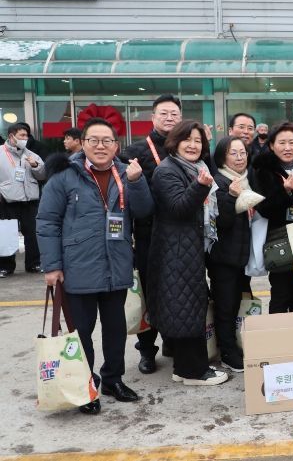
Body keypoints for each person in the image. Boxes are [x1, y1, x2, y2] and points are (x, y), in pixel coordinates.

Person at [36, 118, 154, 414]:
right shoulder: (64, 175)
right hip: (78, 268)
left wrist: (137, 182)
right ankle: (85, 385)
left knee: (115, 329)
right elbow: (47, 222)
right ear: (83, 143)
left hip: (116, 265)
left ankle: (113, 380)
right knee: (82, 333)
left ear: (116, 145)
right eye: (94, 140)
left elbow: (144, 212)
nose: (100, 146)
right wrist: (52, 266)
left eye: (107, 141)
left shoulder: (127, 173)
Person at [146, 121, 228, 386]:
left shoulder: (196, 167)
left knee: (188, 306)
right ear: (175, 142)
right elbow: (178, 207)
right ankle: (193, 372)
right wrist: (200, 186)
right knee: (185, 307)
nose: (193, 145)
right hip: (176, 250)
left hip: (187, 248)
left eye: (198, 140)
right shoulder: (167, 170)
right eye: (187, 139)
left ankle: (185, 367)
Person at [122, 94, 183, 375]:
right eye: (164, 113)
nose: (169, 118)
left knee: (177, 291)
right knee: (148, 294)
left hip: (181, 234)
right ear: (153, 117)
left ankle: (173, 340)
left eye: (174, 114)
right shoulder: (135, 151)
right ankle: (147, 350)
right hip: (149, 235)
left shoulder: (187, 147)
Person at [252, 122, 293, 313]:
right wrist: (285, 191)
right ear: (272, 145)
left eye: (292, 142)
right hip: (280, 240)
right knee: (281, 293)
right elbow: (264, 208)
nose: (287, 148)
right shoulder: (263, 170)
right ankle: (278, 331)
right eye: (282, 143)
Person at [207, 136, 254, 372]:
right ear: (222, 157)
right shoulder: (219, 181)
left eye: (242, 152)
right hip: (223, 257)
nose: (239, 157)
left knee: (239, 303)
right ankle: (227, 351)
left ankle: (236, 344)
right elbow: (221, 222)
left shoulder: (246, 179)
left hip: (242, 255)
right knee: (226, 306)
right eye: (233, 153)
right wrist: (232, 196)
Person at [0, 123, 46, 278]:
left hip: (29, 200)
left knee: (32, 233)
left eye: (27, 135)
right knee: (7, 234)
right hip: (8, 200)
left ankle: (34, 263)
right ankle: (6, 266)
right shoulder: (1, 153)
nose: (25, 138)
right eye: (22, 135)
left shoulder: (31, 154)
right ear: (11, 136)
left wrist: (35, 165)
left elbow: (43, 175)